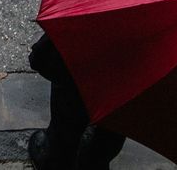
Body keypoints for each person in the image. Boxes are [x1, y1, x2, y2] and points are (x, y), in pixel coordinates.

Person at [28, 33, 125, 170]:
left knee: (67, 123)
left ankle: (56, 162)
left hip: (80, 66)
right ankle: (95, 161)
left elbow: (39, 59)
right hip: (127, 75)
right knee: (116, 119)